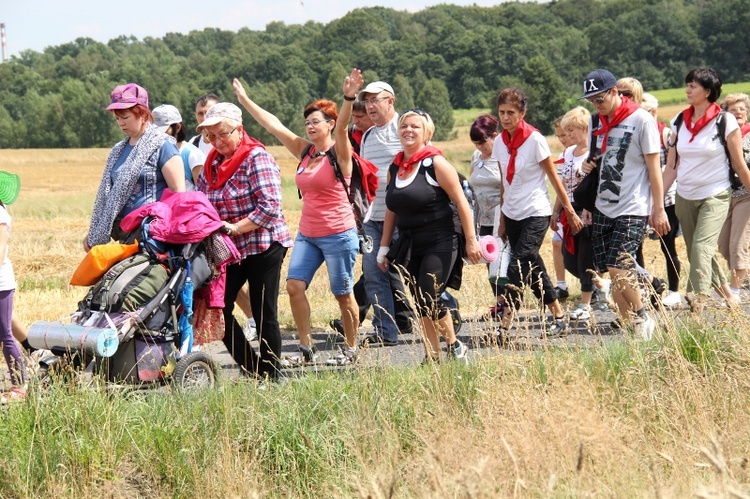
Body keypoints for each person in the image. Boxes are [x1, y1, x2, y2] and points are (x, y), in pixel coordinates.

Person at [233, 70, 361, 366]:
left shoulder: (340, 153)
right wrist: (246, 101)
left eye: (316, 122)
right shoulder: (306, 152)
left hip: (339, 233)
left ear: (328, 125)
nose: (309, 126)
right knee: (294, 286)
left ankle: (351, 350)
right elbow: (274, 125)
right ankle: (306, 349)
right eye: (307, 122)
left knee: (342, 295)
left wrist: (348, 97)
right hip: (308, 234)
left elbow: (343, 128)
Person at [196, 102, 293, 380]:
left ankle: (272, 375)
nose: (217, 141)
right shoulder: (212, 163)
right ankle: (253, 368)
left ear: (239, 130)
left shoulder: (256, 158)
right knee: (219, 307)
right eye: (211, 136)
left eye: (222, 133)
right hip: (230, 250)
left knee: (264, 313)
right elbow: (203, 201)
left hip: (264, 245)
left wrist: (236, 227)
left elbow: (270, 207)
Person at [379, 109, 481, 362]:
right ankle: (432, 354)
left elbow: (462, 203)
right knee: (420, 300)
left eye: (415, 126)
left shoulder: (435, 163)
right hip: (410, 242)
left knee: (429, 293)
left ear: (427, 133)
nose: (408, 130)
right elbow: (391, 210)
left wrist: (471, 241)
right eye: (404, 126)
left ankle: (455, 345)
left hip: (442, 238)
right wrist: (383, 248)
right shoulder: (395, 167)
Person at [581, 69, 669, 339]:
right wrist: (587, 167)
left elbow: (654, 167)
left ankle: (643, 316)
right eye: (591, 100)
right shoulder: (596, 122)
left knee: (621, 265)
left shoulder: (641, 120)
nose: (597, 105)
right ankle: (633, 327)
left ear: (615, 92)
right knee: (610, 268)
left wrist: (659, 207)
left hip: (634, 204)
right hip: (603, 203)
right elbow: (595, 161)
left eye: (600, 98)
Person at [491, 88, 584, 343]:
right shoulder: (500, 142)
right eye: (502, 112)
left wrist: (569, 211)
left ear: (523, 113)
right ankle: (558, 315)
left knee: (518, 264)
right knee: (533, 267)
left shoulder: (534, 140)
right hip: (512, 212)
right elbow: (503, 182)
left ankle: (504, 326)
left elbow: (554, 179)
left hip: (535, 211)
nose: (506, 117)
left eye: (511, 112)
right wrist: (501, 218)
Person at [664, 68, 750, 312]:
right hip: (685, 195)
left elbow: (738, 164)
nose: (687, 90)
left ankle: (697, 301)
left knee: (702, 247)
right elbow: (672, 166)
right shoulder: (679, 121)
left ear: (708, 91)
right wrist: (657, 201)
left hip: (716, 193)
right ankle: (730, 297)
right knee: (696, 252)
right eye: (687, 85)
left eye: (693, 86)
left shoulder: (725, 120)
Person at [85, 83, 185, 251]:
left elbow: (178, 194)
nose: (121, 123)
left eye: (125, 117)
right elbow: (109, 197)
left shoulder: (162, 145)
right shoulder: (118, 150)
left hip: (153, 238)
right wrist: (97, 230)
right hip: (125, 236)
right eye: (117, 118)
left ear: (143, 114)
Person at [357, 79, 416, 346]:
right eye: (366, 101)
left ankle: (446, 314)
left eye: (375, 100)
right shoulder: (368, 136)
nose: (369, 106)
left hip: (405, 218)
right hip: (374, 219)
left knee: (418, 274)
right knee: (373, 275)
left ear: (390, 101)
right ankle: (386, 332)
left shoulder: (405, 128)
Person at [552, 106, 601, 321]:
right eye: (566, 131)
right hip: (569, 209)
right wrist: (556, 210)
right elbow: (562, 184)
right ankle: (602, 284)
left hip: (589, 210)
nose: (567, 136)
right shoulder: (567, 154)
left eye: (571, 130)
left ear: (584, 129)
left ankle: (585, 304)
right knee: (569, 259)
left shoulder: (595, 153)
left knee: (585, 258)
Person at [641, 93, 682, 308]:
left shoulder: (666, 134)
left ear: (654, 112)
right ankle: (648, 288)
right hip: (641, 200)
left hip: (667, 199)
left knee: (668, 247)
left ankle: (674, 291)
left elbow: (674, 166)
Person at [468, 114, 504, 315]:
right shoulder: (476, 157)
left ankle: (509, 301)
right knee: (490, 260)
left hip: (501, 217)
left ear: (494, 136)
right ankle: (499, 302)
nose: (480, 147)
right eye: (476, 143)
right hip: (482, 219)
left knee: (502, 262)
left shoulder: (502, 156)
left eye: (483, 142)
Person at [718, 92, 750, 300]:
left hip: (746, 194)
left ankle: (735, 290)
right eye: (733, 110)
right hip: (723, 195)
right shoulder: (722, 137)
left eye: (742, 109)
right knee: (723, 245)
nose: (738, 112)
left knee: (738, 244)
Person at [0, 170, 25, 402]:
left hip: (1, 283)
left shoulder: (0, 214)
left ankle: (20, 385)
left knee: (4, 333)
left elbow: (0, 250)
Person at [153, 104, 206, 188]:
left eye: (164, 131)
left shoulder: (193, 154)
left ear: (177, 127)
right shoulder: (155, 153)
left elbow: (202, 191)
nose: (159, 136)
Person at [551, 116, 573, 300]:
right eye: (559, 136)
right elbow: (561, 187)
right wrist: (556, 210)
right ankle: (561, 285)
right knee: (557, 242)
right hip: (565, 208)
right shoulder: (563, 156)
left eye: (565, 134)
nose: (562, 139)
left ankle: (595, 286)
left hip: (582, 208)